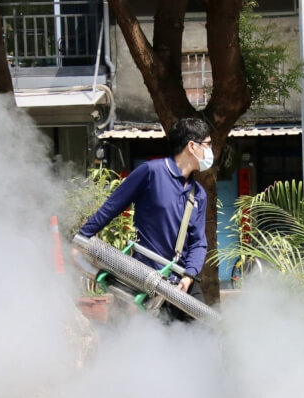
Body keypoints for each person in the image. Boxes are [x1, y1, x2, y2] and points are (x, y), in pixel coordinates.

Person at [77, 118, 212, 317]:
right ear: (192, 146)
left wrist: (189, 275)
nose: (211, 152)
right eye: (208, 145)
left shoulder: (198, 193)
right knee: (151, 341)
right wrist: (81, 238)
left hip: (182, 281)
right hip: (146, 279)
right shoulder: (151, 172)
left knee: (204, 334)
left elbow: (199, 242)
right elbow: (112, 207)